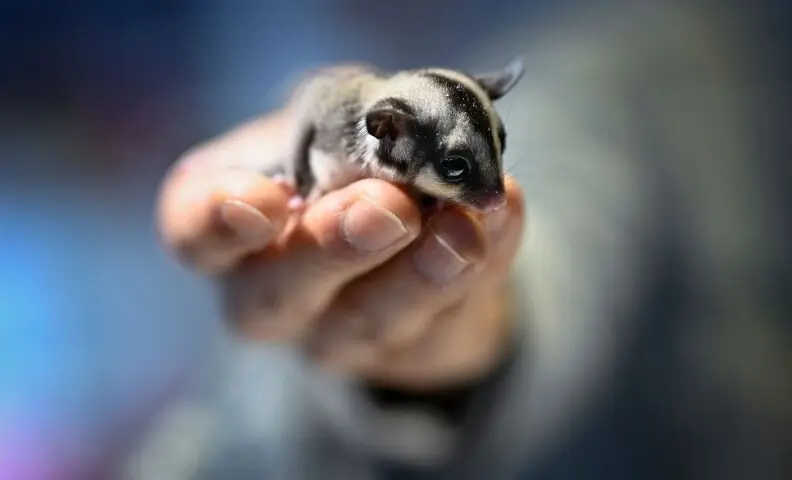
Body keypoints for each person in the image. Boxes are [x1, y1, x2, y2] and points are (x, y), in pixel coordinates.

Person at [130, 1, 790, 479]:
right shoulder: (327, 87)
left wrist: (481, 323)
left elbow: (575, 201)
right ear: (390, 135)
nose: (493, 191)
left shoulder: (628, 44)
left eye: (492, 156)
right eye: (458, 172)